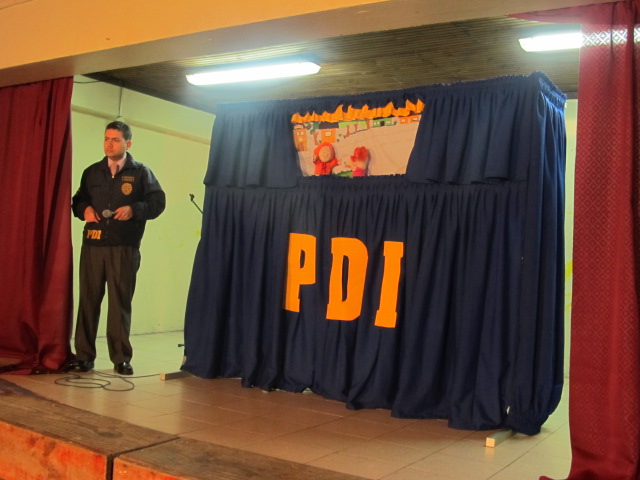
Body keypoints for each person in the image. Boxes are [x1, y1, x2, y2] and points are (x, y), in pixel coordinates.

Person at [69, 121, 165, 375]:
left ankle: (121, 358)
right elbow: (78, 200)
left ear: (127, 143)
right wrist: (84, 210)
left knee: (119, 303)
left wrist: (134, 209)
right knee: (88, 300)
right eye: (106, 139)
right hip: (93, 244)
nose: (109, 144)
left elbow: (158, 202)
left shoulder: (141, 172)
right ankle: (84, 356)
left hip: (124, 247)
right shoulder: (92, 172)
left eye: (115, 140)